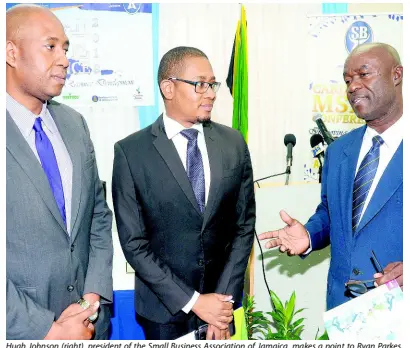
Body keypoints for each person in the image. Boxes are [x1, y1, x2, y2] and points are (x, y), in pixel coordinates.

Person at [112, 46, 256, 340]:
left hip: (223, 307)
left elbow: (243, 228)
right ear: (168, 87)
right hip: (165, 312)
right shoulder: (131, 152)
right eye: (200, 84)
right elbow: (133, 243)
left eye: (212, 84)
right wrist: (194, 302)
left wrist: (222, 304)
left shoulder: (233, 142)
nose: (212, 93)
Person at [259, 42, 403, 309]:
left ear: (396, 75)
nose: (352, 86)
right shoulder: (338, 152)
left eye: (363, 74)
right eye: (348, 79)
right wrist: (310, 236)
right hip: (343, 309)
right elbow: (331, 211)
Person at [6, 4, 113, 339]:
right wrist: (47, 331)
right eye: (50, 46)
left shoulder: (74, 124)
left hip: (89, 323)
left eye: (65, 48)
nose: (64, 59)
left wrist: (92, 298)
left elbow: (98, 214)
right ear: (11, 53)